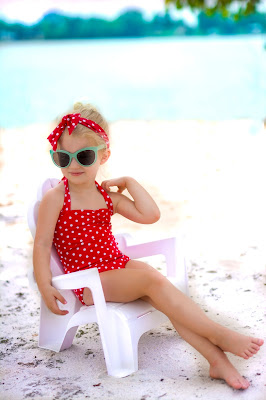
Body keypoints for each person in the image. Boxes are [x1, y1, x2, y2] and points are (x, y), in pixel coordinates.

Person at [33, 102, 263, 390]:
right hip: (90, 282)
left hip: (116, 267)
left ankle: (218, 361)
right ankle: (221, 334)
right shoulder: (57, 198)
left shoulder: (107, 197)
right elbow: (42, 245)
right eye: (63, 158)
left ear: (104, 156)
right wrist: (45, 285)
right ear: (55, 156)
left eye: (85, 155)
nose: (74, 165)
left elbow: (150, 215)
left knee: (166, 298)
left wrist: (129, 182)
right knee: (152, 279)